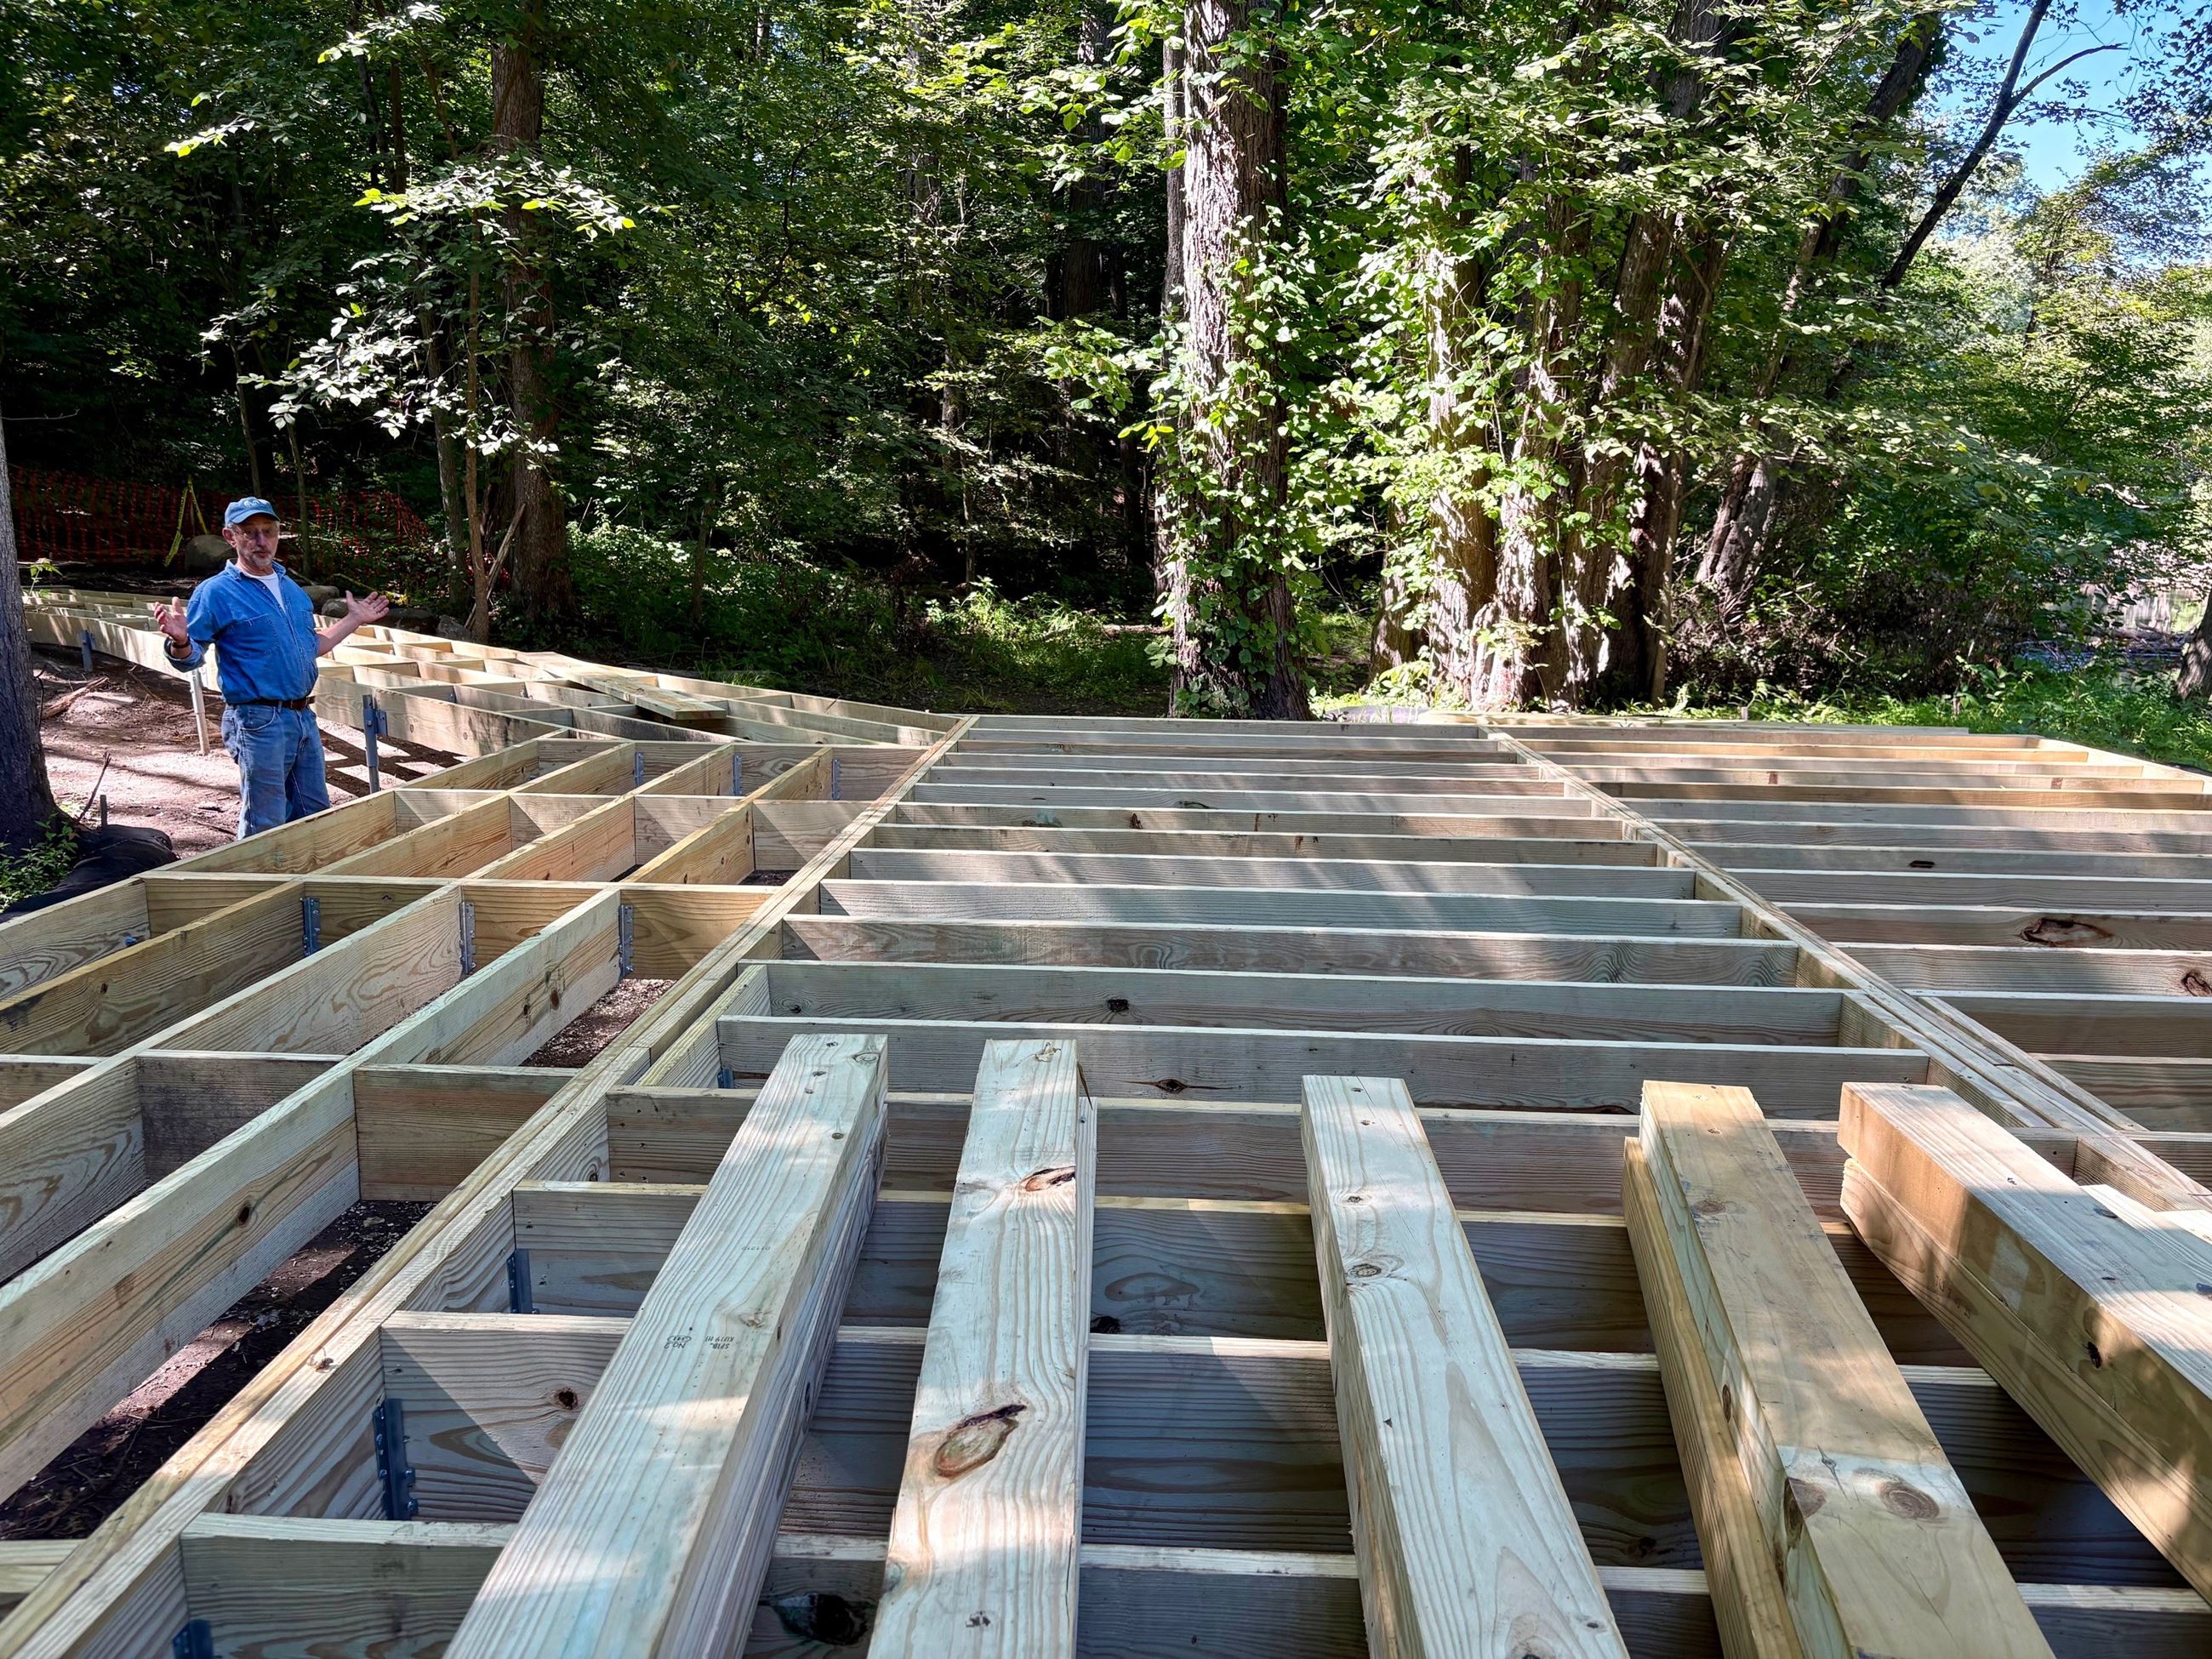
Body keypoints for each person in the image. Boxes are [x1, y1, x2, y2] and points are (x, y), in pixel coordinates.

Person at [154, 497, 389, 838]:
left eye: (268, 531)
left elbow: (311, 647)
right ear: (230, 537)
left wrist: (353, 619)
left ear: (279, 534)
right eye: (249, 533)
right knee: (265, 822)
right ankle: (259, 886)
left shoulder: (292, 590)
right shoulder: (216, 592)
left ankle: (309, 886)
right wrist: (180, 640)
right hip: (258, 721)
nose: (261, 541)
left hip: (302, 717)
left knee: (314, 815)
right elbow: (190, 658)